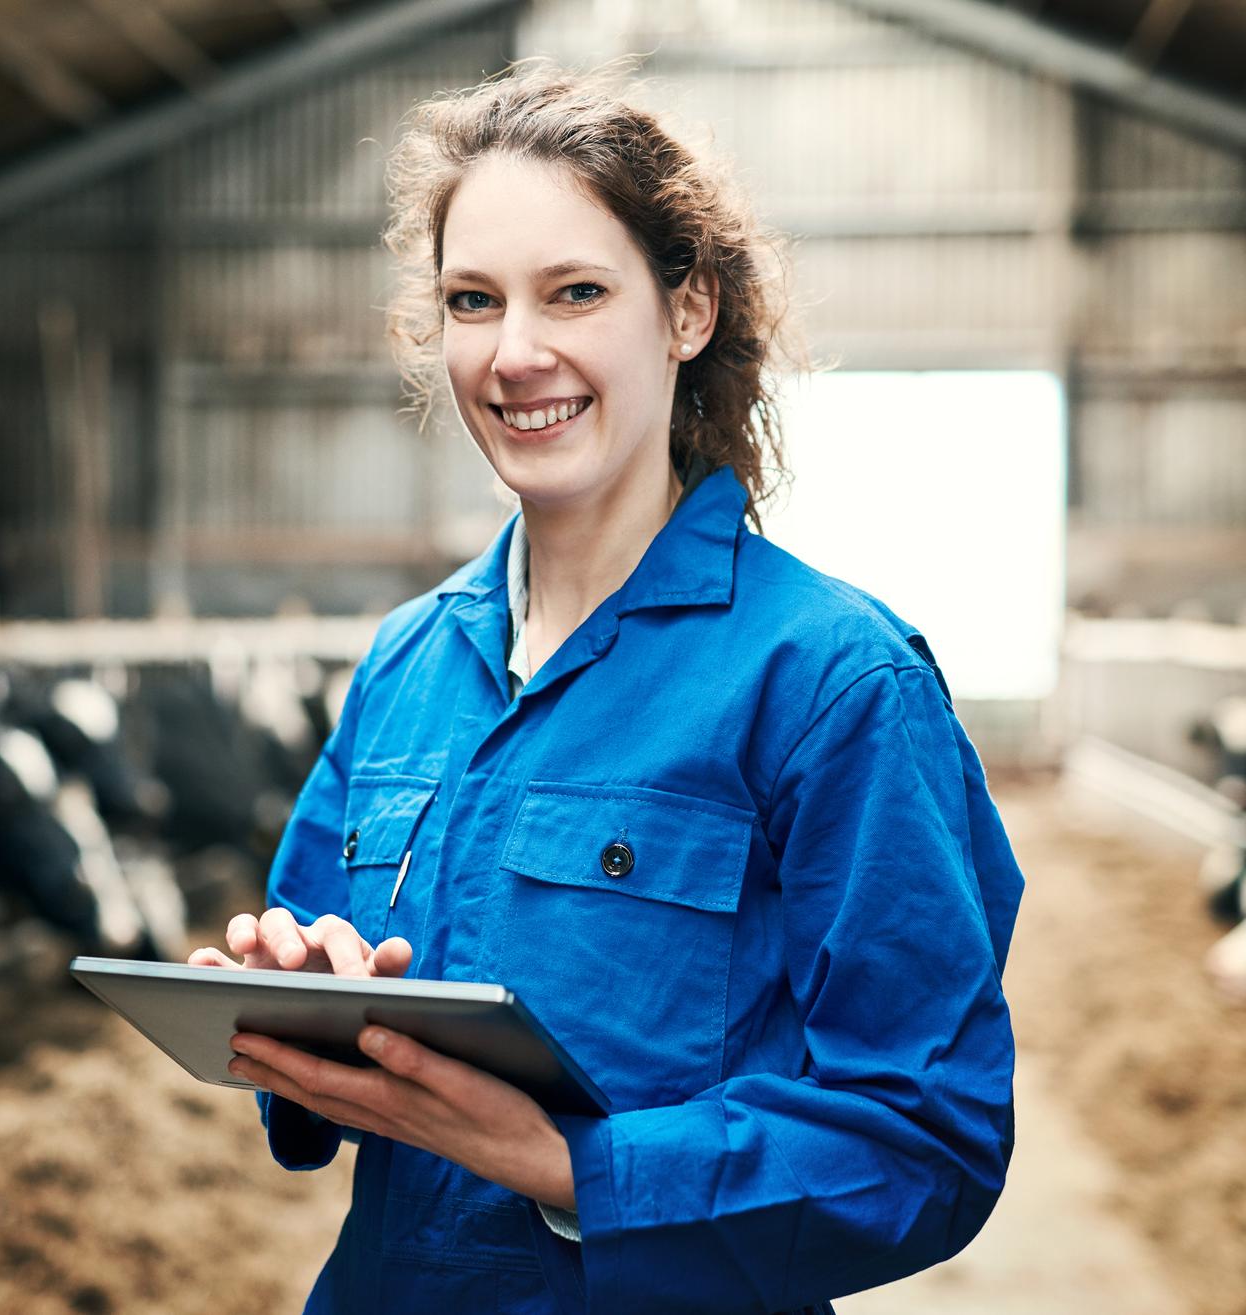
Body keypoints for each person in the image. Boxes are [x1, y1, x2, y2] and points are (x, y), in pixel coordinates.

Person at [187, 61, 1025, 1315]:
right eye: (474, 301)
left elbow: (926, 1137)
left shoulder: (833, 680)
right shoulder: (407, 664)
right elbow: (302, 1064)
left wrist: (570, 1166)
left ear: (687, 313)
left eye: (574, 292)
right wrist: (304, 1008)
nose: (517, 353)